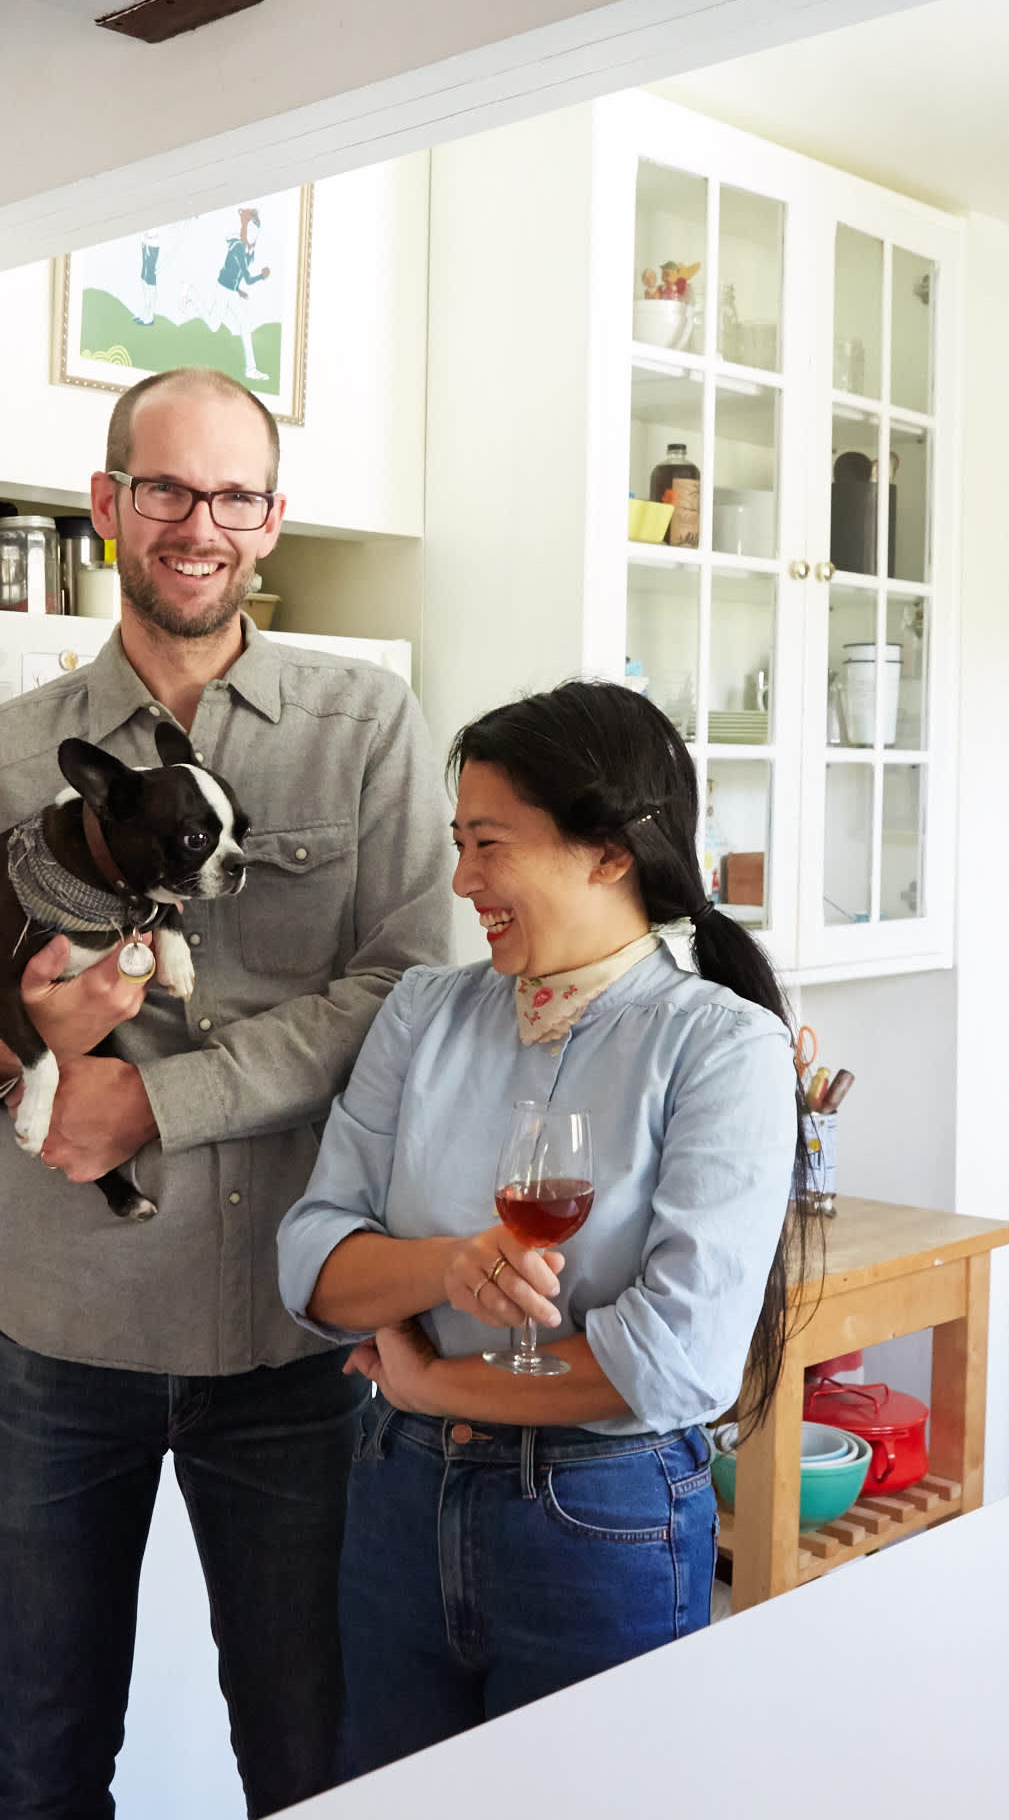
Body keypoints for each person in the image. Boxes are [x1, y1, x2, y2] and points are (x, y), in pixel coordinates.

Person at [0, 366, 452, 1817]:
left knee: (315, 1764)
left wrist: (157, 1103)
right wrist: (15, 1052)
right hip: (57, 1345)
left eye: (235, 496)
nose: (199, 526)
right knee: (44, 1765)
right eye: (166, 489)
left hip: (300, 1340)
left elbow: (407, 999)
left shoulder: (364, 728)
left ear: (274, 521)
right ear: (108, 505)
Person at [275, 680, 805, 1777]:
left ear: (607, 850)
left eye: (488, 843)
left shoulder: (721, 1045)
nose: (462, 879)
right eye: (457, 842)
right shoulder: (426, 1009)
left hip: (599, 1516)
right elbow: (311, 1260)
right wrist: (451, 1268)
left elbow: (674, 1361)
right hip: (396, 1505)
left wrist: (428, 1383)